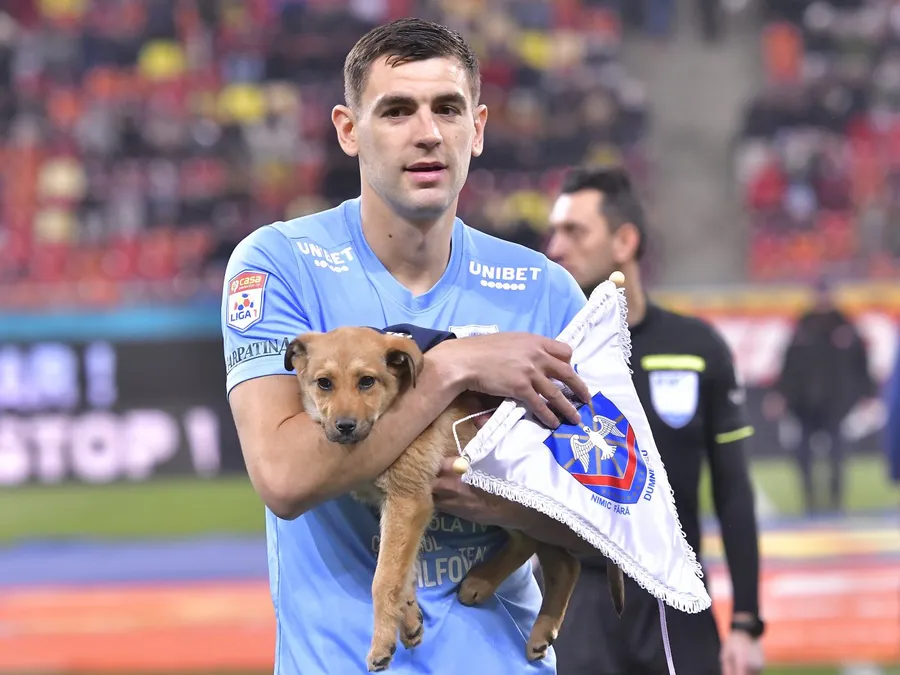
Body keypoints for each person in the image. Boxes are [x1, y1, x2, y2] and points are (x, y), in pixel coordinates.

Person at [222, 17, 604, 675]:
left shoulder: (546, 290)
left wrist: (504, 502)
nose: (427, 132)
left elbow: (613, 524)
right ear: (349, 130)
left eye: (447, 109)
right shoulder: (278, 264)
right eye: (397, 110)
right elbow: (283, 478)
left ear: (477, 129)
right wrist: (454, 366)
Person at [544, 165, 765, 675]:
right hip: (573, 604)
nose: (555, 248)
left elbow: (733, 491)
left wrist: (746, 621)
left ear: (625, 241)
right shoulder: (541, 358)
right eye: (554, 232)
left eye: (574, 231)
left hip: (676, 597)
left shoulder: (697, 348)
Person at [768, 277, 875, 515]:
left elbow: (861, 364)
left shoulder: (846, 326)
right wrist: (780, 394)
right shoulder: (802, 326)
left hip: (836, 403)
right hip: (803, 403)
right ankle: (810, 501)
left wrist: (867, 394)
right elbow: (789, 365)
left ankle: (836, 502)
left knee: (837, 455)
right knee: (802, 455)